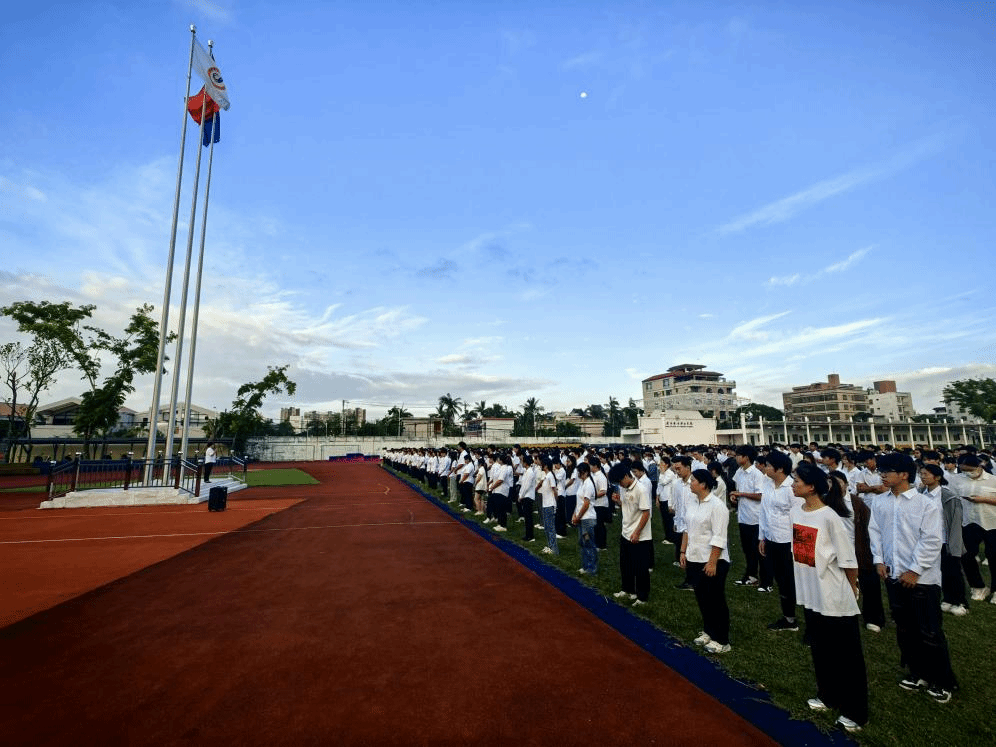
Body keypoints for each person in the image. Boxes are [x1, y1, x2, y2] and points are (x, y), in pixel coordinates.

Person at [869, 452, 958, 703]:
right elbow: (875, 532)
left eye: (887, 471)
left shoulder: (925, 503)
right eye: (881, 471)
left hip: (923, 579)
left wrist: (915, 570)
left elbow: (932, 540)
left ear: (904, 475)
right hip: (893, 574)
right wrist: (879, 560)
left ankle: (943, 680)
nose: (882, 475)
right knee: (905, 628)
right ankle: (917, 672)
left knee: (929, 631)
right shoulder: (880, 501)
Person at [791, 461, 868, 733]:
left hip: (834, 596)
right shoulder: (796, 511)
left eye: (797, 481)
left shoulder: (830, 517)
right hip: (811, 593)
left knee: (847, 656)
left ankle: (856, 711)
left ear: (811, 487)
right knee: (820, 649)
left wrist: (852, 588)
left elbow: (848, 561)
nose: (793, 485)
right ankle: (827, 695)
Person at [682, 469, 732, 654]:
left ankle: (722, 640)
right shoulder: (693, 502)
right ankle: (709, 631)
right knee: (702, 598)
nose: (690, 483)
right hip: (694, 557)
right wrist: (683, 551)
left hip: (712, 560)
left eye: (693, 480)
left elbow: (719, 537)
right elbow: (687, 528)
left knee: (715, 599)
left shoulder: (717, 506)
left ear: (703, 484)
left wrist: (712, 562)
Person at [759, 450, 800, 631]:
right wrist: (762, 537)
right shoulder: (768, 485)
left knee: (791, 580)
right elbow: (763, 512)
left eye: (769, 465)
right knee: (781, 579)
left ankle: (796, 618)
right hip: (771, 538)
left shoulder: (792, 488)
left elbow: (799, 517)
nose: (766, 468)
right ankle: (788, 618)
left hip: (788, 542)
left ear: (780, 469)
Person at [918, 463, 967, 614]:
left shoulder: (948, 497)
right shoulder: (920, 494)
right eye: (921, 474)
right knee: (938, 572)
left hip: (945, 540)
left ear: (937, 477)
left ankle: (960, 602)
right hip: (928, 540)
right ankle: (947, 599)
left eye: (926, 474)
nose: (923, 477)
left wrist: (955, 544)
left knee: (953, 571)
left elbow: (955, 522)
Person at [609, 462, 653, 605]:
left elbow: (646, 513)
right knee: (625, 564)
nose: (620, 485)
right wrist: (618, 502)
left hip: (640, 536)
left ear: (626, 476)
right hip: (626, 532)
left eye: (620, 482)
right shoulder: (625, 489)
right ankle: (627, 589)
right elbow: (628, 507)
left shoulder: (641, 489)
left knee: (640, 567)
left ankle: (642, 597)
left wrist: (637, 532)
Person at [572, 462, 598, 575]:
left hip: (587, 518)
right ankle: (586, 565)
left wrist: (578, 517)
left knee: (588, 543)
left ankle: (592, 568)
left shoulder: (588, 484)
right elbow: (579, 502)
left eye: (580, 472)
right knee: (582, 543)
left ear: (586, 472)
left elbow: (586, 504)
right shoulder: (582, 483)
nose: (579, 474)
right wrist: (574, 514)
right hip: (582, 517)